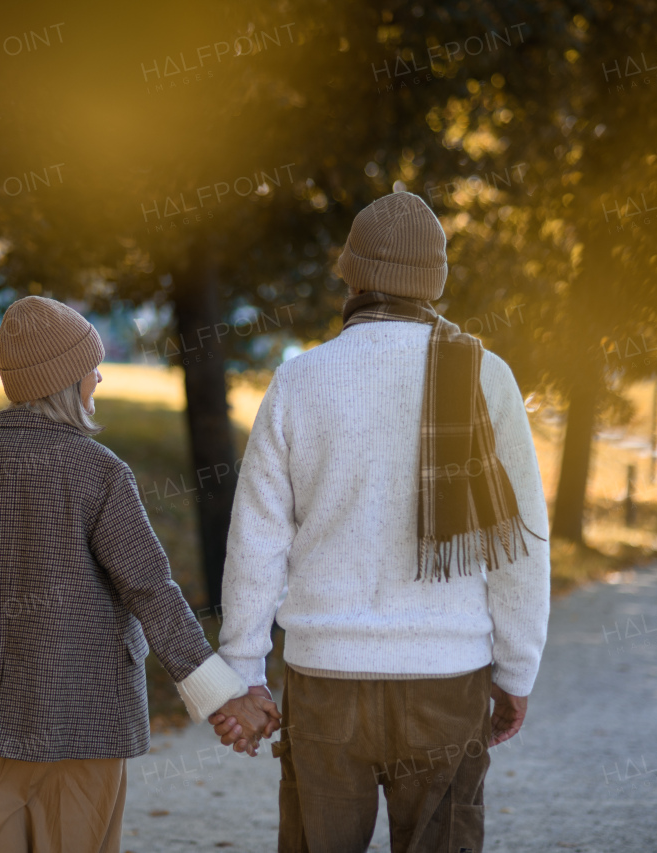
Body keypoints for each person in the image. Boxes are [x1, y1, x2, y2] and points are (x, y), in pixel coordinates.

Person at [209, 191, 551, 852]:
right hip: (448, 680)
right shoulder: (487, 377)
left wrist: (244, 668)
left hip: (324, 682)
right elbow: (520, 545)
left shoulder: (300, 380)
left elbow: (256, 541)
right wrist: (516, 671)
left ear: (351, 275)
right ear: (438, 283)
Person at [0, 295, 277, 853]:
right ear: (69, 382)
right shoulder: (99, 472)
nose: (98, 376)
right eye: (90, 367)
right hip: (77, 724)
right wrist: (224, 695)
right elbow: (150, 589)